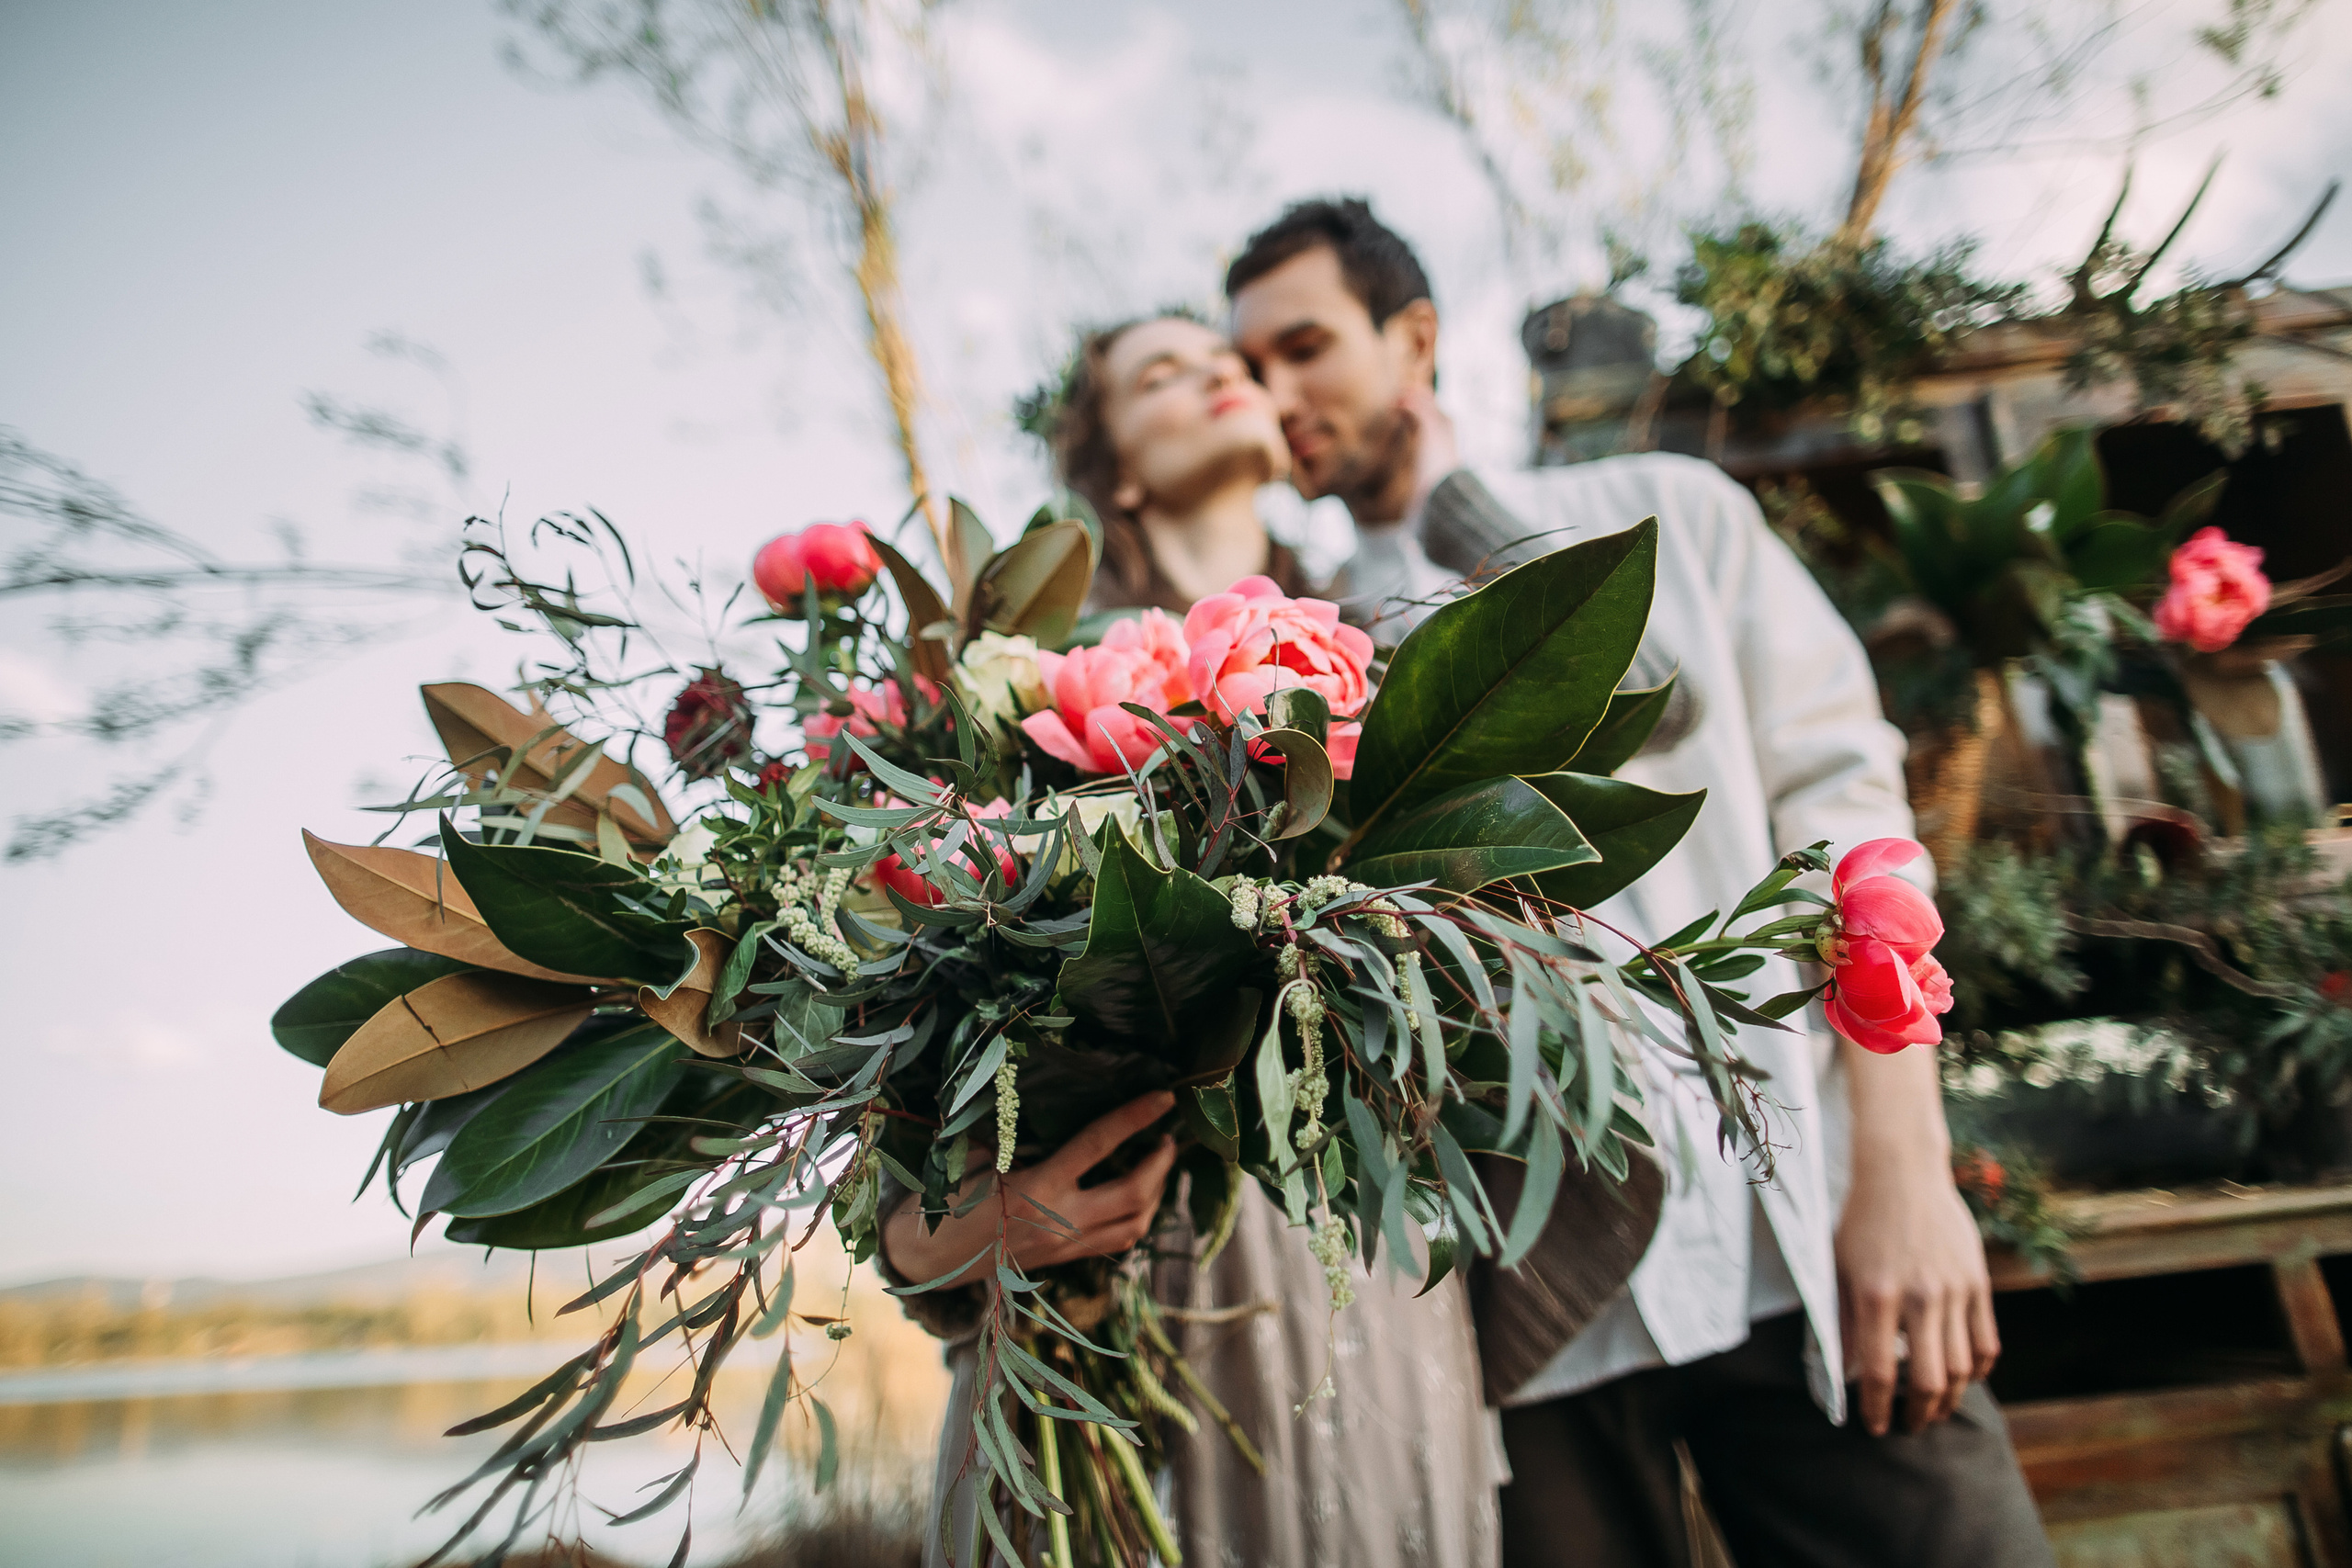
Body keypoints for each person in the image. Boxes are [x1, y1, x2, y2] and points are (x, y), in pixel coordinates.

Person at [1227, 198, 2055, 1568]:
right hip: (1522, 1324)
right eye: (1248, 369)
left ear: (1413, 337)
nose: (1275, 396)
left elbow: (1828, 805)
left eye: (1304, 346)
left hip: (1799, 1235)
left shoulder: (1668, 511)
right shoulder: (1282, 651)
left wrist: (1907, 1176)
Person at [881, 311, 1506, 1568]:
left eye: (1235, 358)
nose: (1223, 370)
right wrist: (960, 1236)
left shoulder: (1395, 662)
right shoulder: (1012, 698)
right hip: (1098, 1319)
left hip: (1355, 1285)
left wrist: (1444, 477)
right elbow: (895, 1155)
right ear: (1110, 464)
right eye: (1163, 371)